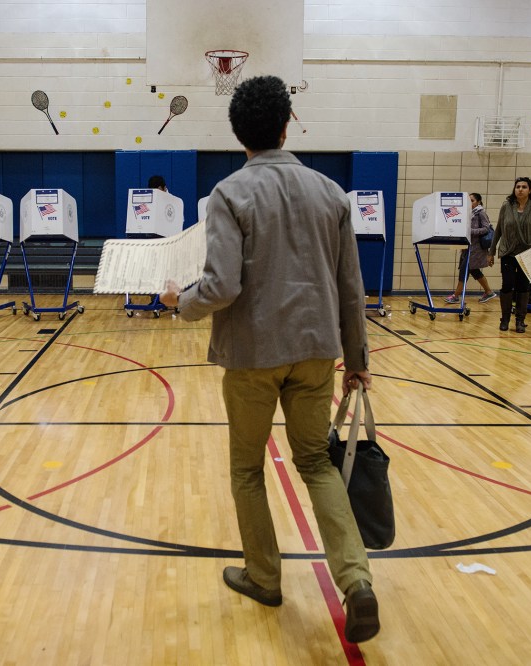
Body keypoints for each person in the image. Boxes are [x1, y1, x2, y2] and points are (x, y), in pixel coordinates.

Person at [159, 75, 379, 643]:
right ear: (287, 126)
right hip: (315, 354)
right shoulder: (332, 193)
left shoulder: (230, 194)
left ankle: (264, 576)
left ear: (240, 136)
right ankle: (356, 583)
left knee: (247, 469)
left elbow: (222, 286)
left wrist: (177, 301)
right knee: (317, 463)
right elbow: (351, 288)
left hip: (253, 355)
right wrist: (356, 359)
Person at [488, 177, 531, 333]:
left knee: (523, 287)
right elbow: (498, 230)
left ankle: (520, 320)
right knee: (507, 285)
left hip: (528, 254)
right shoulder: (506, 206)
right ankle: (505, 319)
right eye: (518, 186)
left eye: (524, 187)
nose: (520, 189)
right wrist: (491, 251)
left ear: (530, 190)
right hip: (508, 252)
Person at [444, 193, 497, 305]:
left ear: (478, 202)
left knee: (464, 270)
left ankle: (456, 296)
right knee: (474, 271)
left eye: (472, 200)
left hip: (476, 248)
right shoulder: (468, 213)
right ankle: (489, 292)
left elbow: (486, 229)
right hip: (467, 247)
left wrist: (470, 231)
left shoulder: (480, 213)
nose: (470, 203)